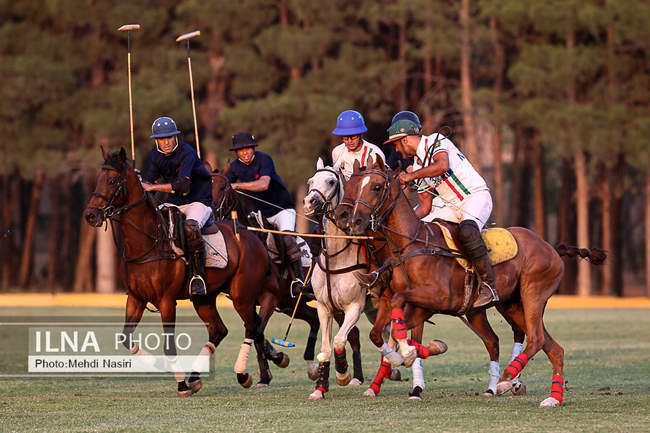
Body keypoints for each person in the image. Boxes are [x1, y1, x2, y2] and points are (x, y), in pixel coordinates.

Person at [384, 117, 498, 308]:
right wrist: (399, 225)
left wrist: (411, 176)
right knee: (421, 232)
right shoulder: (418, 166)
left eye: (396, 144)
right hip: (450, 207)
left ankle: (489, 285)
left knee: (468, 231)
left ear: (405, 139)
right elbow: (425, 207)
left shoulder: (435, 141)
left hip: (475, 196)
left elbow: (442, 165)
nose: (396, 150)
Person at [141, 116, 213, 296]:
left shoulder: (187, 152)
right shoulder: (155, 155)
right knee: (151, 223)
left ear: (176, 137)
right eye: (161, 139)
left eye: (169, 137)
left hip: (199, 200)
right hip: (175, 202)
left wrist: (153, 187)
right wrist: (139, 183)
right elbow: (150, 182)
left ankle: (198, 276)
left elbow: (183, 186)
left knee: (190, 228)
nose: (166, 142)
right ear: (156, 140)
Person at [225, 131, 306, 291]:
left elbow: (263, 184)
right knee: (251, 243)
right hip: (259, 213)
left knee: (288, 240)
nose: (245, 152)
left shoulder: (264, 159)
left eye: (248, 148)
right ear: (236, 152)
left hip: (282, 208)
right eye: (241, 150)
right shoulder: (234, 167)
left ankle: (298, 280)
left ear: (253, 148)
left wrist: (237, 185)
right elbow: (223, 185)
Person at [331, 110, 385, 180]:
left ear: (360, 135)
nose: (350, 141)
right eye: (345, 138)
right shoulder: (337, 152)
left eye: (353, 137)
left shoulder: (375, 153)